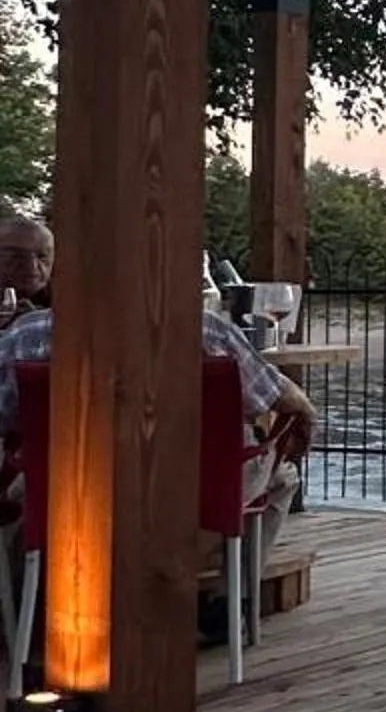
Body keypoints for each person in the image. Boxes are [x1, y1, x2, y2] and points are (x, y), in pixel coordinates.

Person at [0, 213, 317, 561]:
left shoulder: (25, 335)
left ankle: (24, 602)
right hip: (188, 490)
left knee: (24, 489)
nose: (31, 267)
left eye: (43, 257)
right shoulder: (206, 330)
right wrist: (304, 412)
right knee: (282, 475)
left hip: (69, 490)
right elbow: (275, 397)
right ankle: (228, 600)